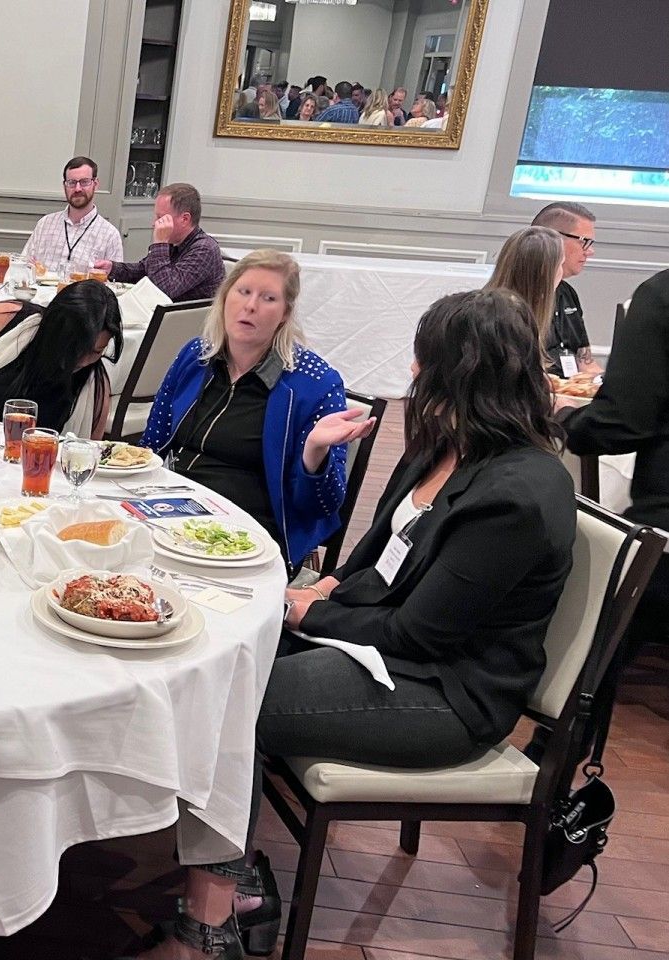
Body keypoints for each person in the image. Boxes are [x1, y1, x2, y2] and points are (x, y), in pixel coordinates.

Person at [123, 289, 576, 960]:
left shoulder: (516, 493)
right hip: (389, 646)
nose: (413, 374)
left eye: (424, 361)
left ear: (456, 373)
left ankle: (211, 922)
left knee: (230, 698)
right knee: (218, 654)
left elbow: (423, 634)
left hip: (446, 692)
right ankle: (227, 870)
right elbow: (378, 562)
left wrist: (315, 608)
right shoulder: (447, 446)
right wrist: (329, 588)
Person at [140, 249, 375, 572]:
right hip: (171, 514)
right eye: (244, 291)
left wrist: (313, 454)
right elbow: (151, 446)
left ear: (285, 313)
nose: (250, 306)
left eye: (268, 298)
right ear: (224, 298)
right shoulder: (196, 356)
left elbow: (323, 505)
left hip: (248, 538)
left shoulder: (315, 383)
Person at [558, 266, 669, 650]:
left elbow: (622, 423)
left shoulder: (661, 295)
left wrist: (566, 422)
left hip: (664, 533)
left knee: (594, 647)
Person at [0, 280, 122, 439]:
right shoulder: (9, 322)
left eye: (96, 352)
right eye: (75, 348)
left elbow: (89, 452)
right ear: (55, 328)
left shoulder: (94, 387)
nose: (83, 361)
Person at [94, 183, 225, 302]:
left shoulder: (204, 249)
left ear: (184, 219)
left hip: (187, 323)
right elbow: (144, 270)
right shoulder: (175, 242)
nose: (154, 223)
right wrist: (113, 268)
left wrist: (160, 243)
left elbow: (162, 290)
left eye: (161, 218)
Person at [532, 202, 602, 377]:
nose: (590, 251)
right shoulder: (515, 297)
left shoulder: (567, 293)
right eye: (584, 242)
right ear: (553, 239)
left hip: (570, 392)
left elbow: (585, 362)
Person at [22, 156, 123, 272]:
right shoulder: (45, 224)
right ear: (64, 185)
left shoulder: (110, 235)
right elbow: (24, 266)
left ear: (95, 184)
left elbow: (114, 284)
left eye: (84, 182)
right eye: (72, 183)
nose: (77, 189)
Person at [484, 226, 565, 350]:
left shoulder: (492, 310)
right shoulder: (512, 325)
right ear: (544, 272)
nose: (562, 272)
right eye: (561, 265)